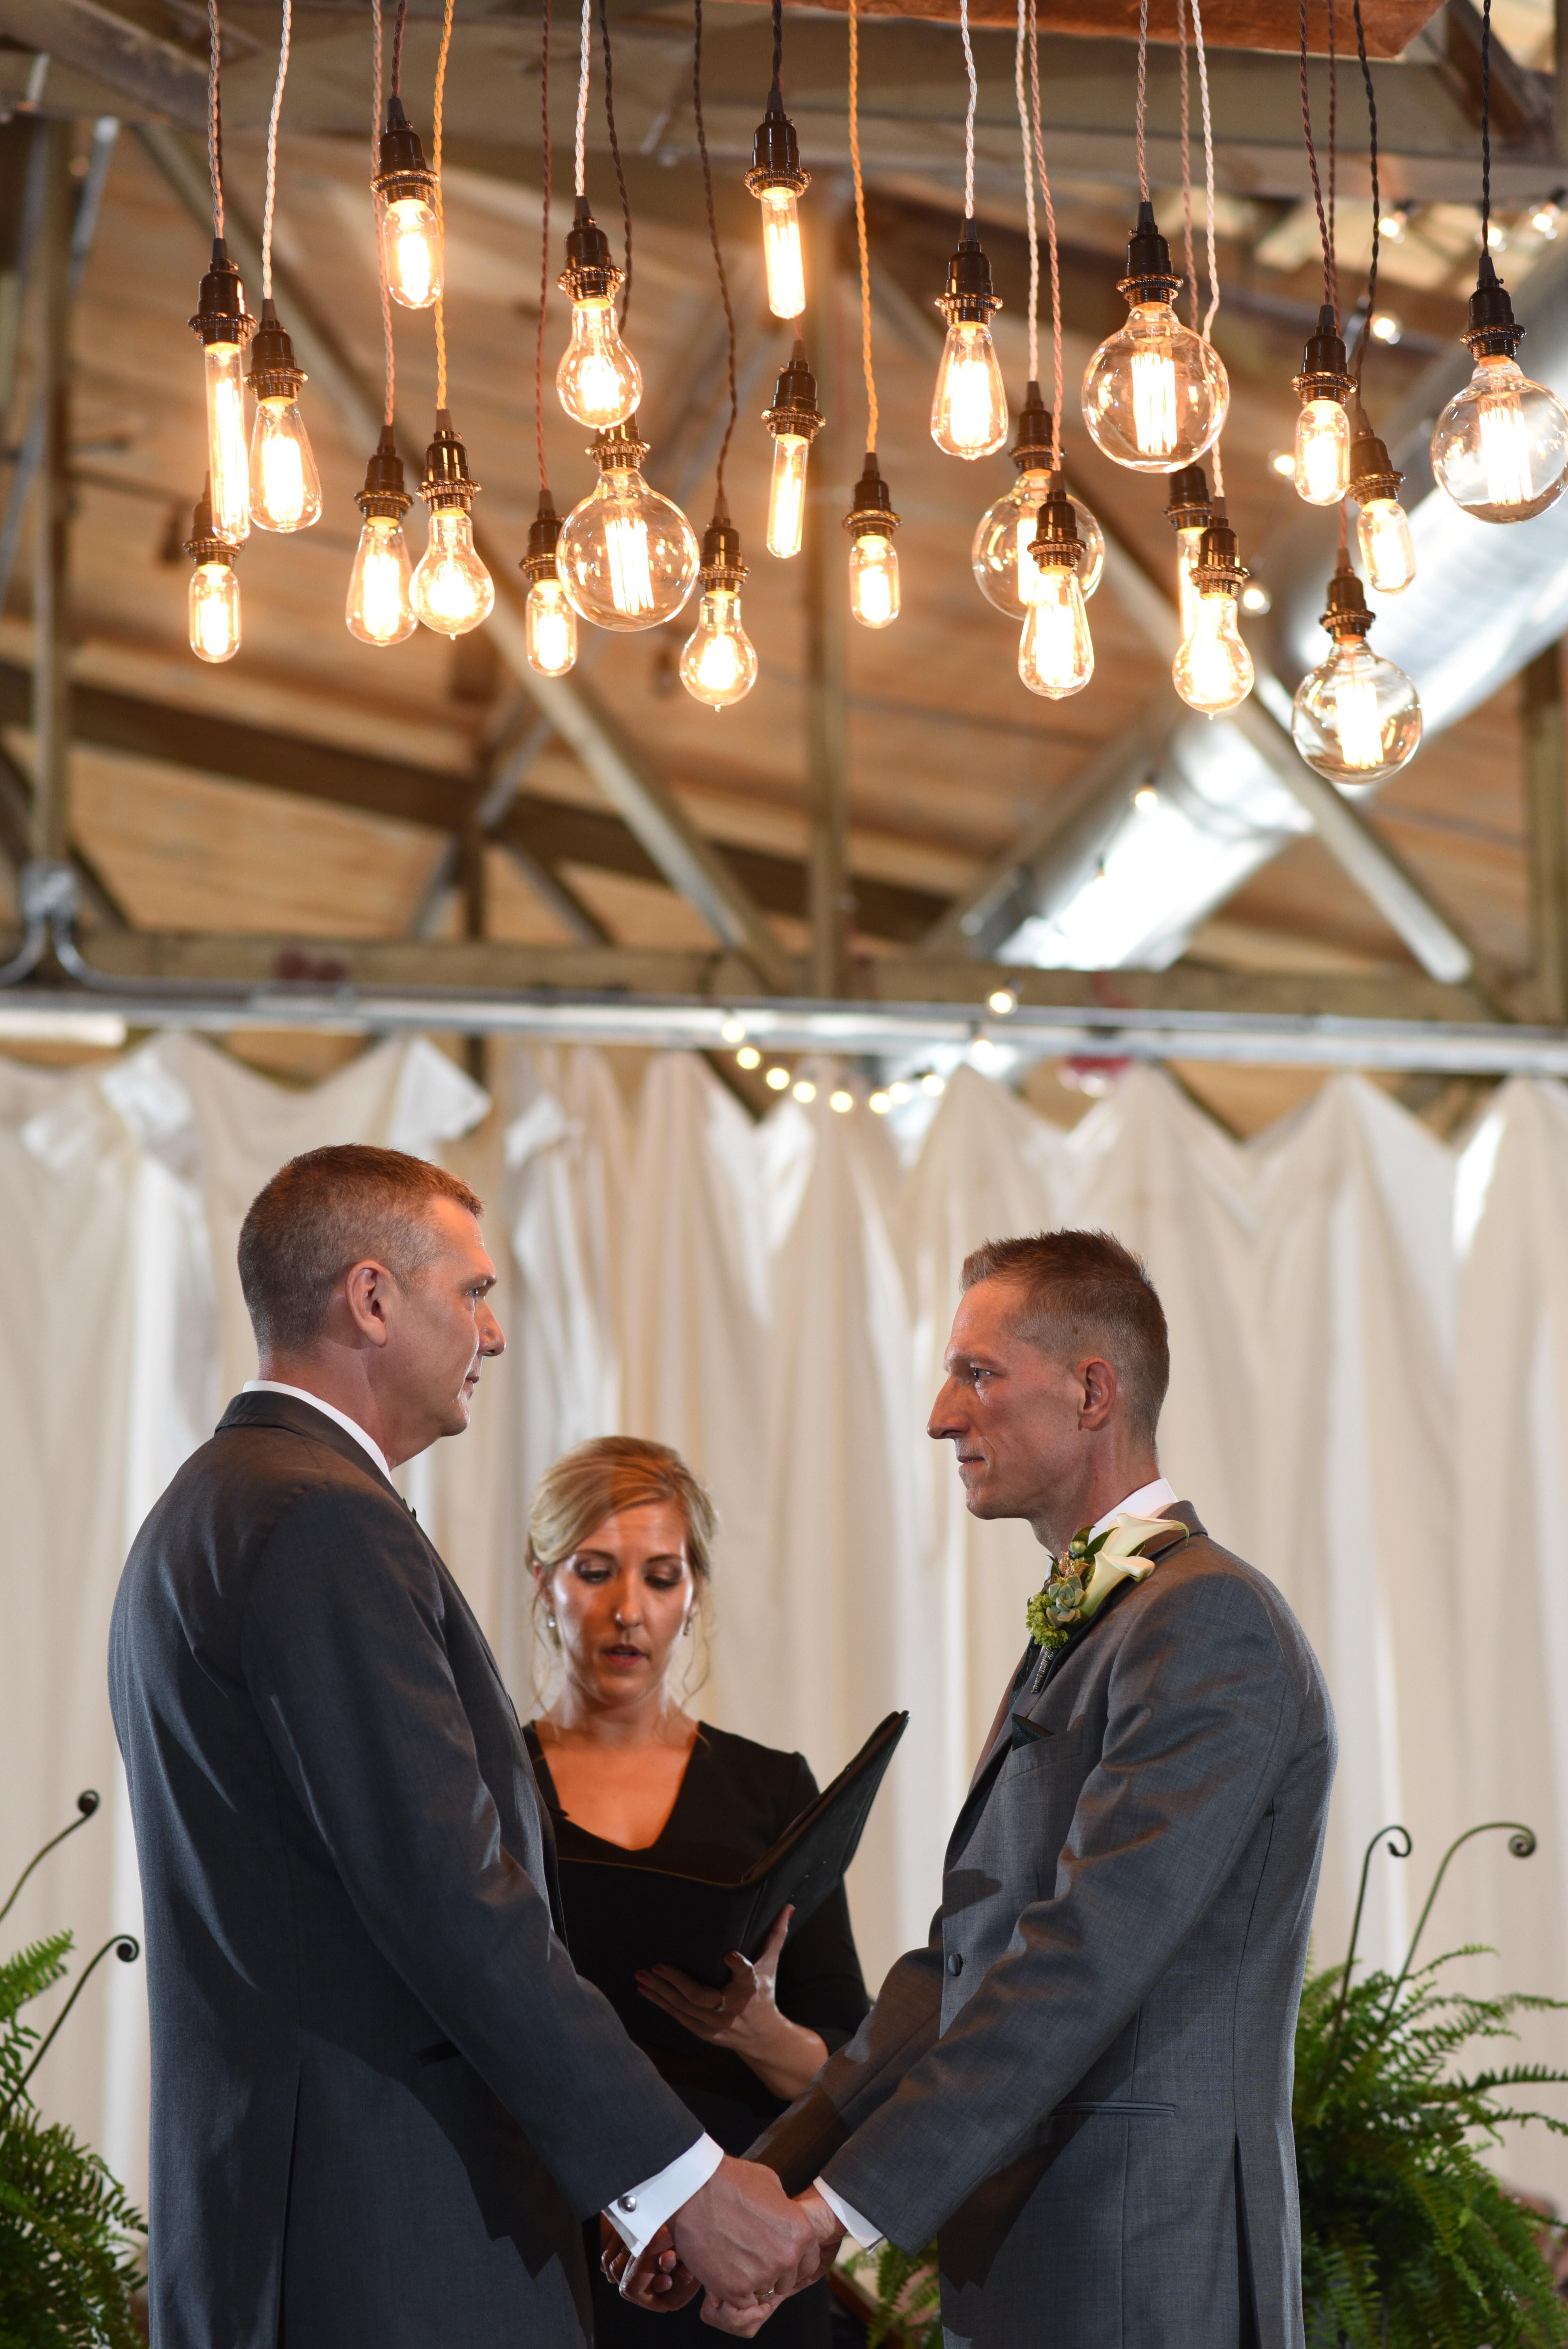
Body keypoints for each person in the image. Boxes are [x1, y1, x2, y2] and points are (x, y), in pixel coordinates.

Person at [108, 1143, 828, 2349]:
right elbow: (451, 1903)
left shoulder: (212, 1503)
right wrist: (676, 2182)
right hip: (384, 2241)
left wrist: (595, 2179)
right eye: (475, 1293)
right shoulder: (323, 1520)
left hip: (297, 2221)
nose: (491, 1335)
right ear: (374, 1298)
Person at [624, 1228, 1336, 2346]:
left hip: (1143, 2263)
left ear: (1093, 1389)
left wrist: (829, 2220)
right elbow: (958, 1966)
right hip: (1037, 2261)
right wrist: (748, 2188)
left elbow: (1077, 1963)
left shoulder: (1210, 1624)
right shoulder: (1096, 1622)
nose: (942, 1415)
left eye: (980, 1373)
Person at [524, 1435, 871, 2346]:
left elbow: (850, 2068)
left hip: (745, 2273)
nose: (627, 1610)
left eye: (661, 1576)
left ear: (695, 1593)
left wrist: (759, 2032)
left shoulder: (773, 1790)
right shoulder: (490, 1786)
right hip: (554, 2247)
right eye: (594, 1570)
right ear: (542, 1580)